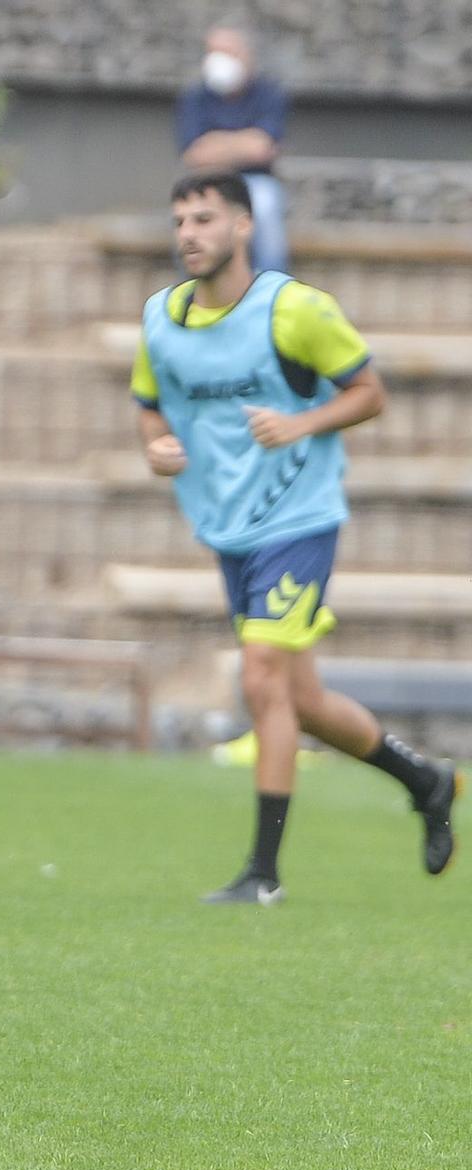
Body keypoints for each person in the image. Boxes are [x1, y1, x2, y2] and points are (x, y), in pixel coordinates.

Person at [132, 171, 463, 905]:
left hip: (299, 517)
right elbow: (151, 407)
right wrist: (156, 445)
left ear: (244, 227)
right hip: (229, 527)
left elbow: (370, 392)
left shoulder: (296, 310)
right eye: (180, 219)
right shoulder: (160, 319)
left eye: (205, 219)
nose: (189, 233)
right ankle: (427, 781)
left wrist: (300, 424)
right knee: (300, 699)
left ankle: (263, 875)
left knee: (260, 681)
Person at [177, 24, 289, 273]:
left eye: (226, 52)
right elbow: (195, 155)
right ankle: (193, 292)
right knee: (190, 217)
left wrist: (216, 143)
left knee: (266, 208)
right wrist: (242, 142)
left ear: (245, 55)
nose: (218, 60)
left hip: (256, 182)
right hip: (208, 182)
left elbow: (262, 149)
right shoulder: (195, 96)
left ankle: (270, 292)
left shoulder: (268, 93)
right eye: (212, 52)